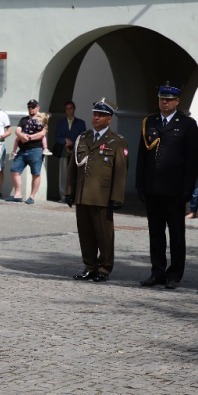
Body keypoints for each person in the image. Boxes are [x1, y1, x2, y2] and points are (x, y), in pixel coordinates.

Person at [136, 81, 198, 289]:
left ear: (177, 101)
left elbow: (191, 159)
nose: (165, 103)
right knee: (155, 233)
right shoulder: (150, 122)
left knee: (176, 234)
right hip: (153, 188)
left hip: (175, 189)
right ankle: (157, 271)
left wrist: (188, 188)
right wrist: (140, 185)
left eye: (169, 100)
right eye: (162, 99)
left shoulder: (187, 124)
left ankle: (174, 274)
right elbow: (142, 157)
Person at [65, 98, 128, 282]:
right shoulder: (83, 138)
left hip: (102, 195)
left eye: (101, 115)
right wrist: (70, 191)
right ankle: (90, 266)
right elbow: (72, 168)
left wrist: (117, 196)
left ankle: (104, 268)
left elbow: (120, 171)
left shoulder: (117, 141)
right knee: (85, 233)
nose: (97, 118)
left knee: (104, 235)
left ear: (110, 119)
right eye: (95, 114)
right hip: (82, 193)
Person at [6, 99, 47, 205]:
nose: (31, 109)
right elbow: (17, 131)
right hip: (22, 150)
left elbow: (42, 134)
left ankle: (32, 196)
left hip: (36, 149)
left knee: (36, 173)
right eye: (29, 107)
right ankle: (18, 195)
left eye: (33, 107)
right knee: (14, 170)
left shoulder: (41, 119)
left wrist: (29, 137)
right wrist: (22, 135)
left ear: (37, 108)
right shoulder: (23, 120)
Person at [55, 101, 87, 202]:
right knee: (64, 174)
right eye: (67, 109)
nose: (69, 111)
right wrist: (65, 140)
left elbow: (83, 136)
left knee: (76, 174)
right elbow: (57, 137)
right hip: (64, 151)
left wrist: (74, 142)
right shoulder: (61, 123)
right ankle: (64, 195)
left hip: (76, 151)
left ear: (74, 109)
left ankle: (75, 195)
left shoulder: (80, 123)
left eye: (71, 108)